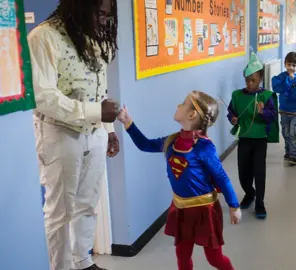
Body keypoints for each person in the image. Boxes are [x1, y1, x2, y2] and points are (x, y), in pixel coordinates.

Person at [28, 1, 120, 269]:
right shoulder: (44, 37)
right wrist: (95, 112)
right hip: (59, 134)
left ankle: (82, 260)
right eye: (99, 13)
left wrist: (109, 129)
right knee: (60, 211)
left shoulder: (95, 39)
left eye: (107, 16)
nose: (104, 21)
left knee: (88, 203)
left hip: (95, 132)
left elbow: (100, 87)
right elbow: (44, 97)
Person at [117, 91, 242, 270]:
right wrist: (128, 123)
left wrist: (234, 205)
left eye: (183, 104)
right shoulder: (173, 140)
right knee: (182, 257)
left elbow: (221, 177)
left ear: (191, 115)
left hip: (204, 210)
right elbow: (145, 144)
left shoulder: (204, 147)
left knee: (214, 258)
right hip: (181, 208)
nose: (178, 106)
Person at [227, 52, 279, 219]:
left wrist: (263, 112)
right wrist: (233, 119)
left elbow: (272, 116)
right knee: (243, 172)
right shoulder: (237, 95)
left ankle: (260, 203)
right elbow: (231, 112)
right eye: (247, 80)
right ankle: (250, 193)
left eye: (253, 80)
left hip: (259, 140)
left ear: (260, 80)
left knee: (259, 172)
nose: (250, 83)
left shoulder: (267, 96)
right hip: (244, 139)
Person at [272, 52, 296, 165]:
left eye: (294, 65)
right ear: (285, 64)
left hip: (295, 112)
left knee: (293, 133)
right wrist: (289, 81)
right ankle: (288, 152)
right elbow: (276, 87)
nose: (291, 67)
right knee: (285, 132)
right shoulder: (282, 76)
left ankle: (294, 155)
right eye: (289, 64)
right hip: (283, 110)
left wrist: (287, 90)